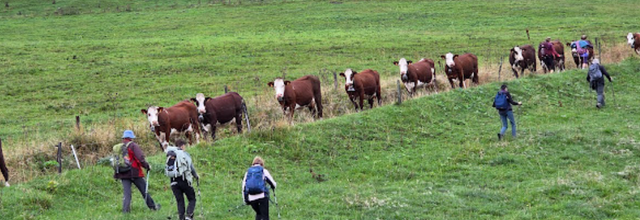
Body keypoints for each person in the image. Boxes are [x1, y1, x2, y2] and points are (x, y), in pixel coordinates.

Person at [113, 130, 160, 213]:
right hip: (134, 172)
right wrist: (147, 166)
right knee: (144, 190)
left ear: (124, 138)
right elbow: (140, 158)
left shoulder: (118, 147)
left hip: (122, 172)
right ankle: (153, 207)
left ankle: (125, 211)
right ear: (131, 138)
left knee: (127, 193)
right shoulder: (133, 146)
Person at [167, 139, 199, 220]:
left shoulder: (170, 155)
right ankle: (189, 215)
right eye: (185, 146)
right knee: (192, 198)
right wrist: (196, 176)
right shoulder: (185, 154)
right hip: (184, 180)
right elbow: (191, 167)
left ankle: (181, 218)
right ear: (182, 146)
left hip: (173, 182)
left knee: (180, 201)